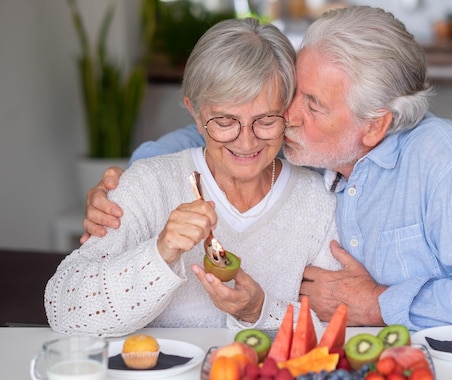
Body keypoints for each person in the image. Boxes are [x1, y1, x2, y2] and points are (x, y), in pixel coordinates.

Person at [82, 6, 452, 335]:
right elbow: (222, 132)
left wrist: (375, 303)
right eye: (294, 92)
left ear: (374, 126)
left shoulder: (441, 160)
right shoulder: (304, 143)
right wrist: (125, 190)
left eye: (313, 103)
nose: (288, 115)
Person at [45, 18, 340, 337]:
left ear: (288, 111)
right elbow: (64, 310)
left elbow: (340, 330)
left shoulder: (318, 202)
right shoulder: (149, 183)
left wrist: (258, 310)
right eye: (225, 121)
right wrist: (161, 252)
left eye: (266, 120)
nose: (246, 142)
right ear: (196, 114)